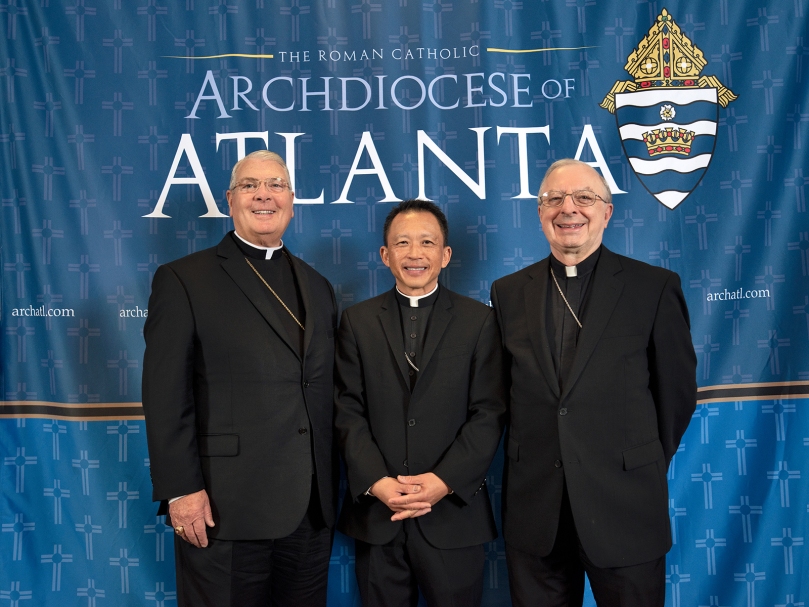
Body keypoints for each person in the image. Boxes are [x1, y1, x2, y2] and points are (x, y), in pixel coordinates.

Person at [490, 159, 697, 607]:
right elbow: (502, 397)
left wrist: (632, 462)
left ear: (606, 212)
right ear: (539, 212)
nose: (569, 209)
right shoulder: (507, 292)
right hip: (537, 510)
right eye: (554, 199)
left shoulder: (653, 287)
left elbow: (675, 396)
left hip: (625, 506)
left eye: (584, 198)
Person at [142, 150, 338, 607]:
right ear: (230, 201)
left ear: (292, 200)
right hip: (223, 504)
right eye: (250, 186)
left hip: (309, 506)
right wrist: (180, 490)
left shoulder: (318, 285)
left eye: (276, 185)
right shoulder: (184, 278)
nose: (264, 195)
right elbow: (165, 393)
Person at [334, 200, 507, 606]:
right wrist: (377, 482)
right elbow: (347, 411)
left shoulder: (479, 321)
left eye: (427, 243)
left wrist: (441, 482)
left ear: (445, 255)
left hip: (454, 516)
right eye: (402, 243)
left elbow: (489, 413)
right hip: (379, 515)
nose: (415, 254)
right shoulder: (356, 322)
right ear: (385, 255)